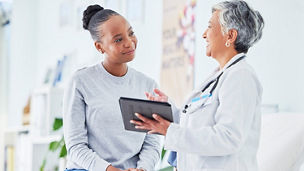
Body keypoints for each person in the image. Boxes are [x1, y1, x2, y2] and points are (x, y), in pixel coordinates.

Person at [131, 0, 264, 170]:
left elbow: (228, 137)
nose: (203, 34)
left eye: (210, 27)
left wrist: (169, 131)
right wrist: (168, 110)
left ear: (230, 36)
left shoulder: (241, 76)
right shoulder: (221, 75)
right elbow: (198, 125)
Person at [63, 5, 162, 171]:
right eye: (118, 39)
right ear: (99, 47)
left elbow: (152, 143)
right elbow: (75, 146)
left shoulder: (148, 85)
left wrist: (143, 169)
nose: (129, 42)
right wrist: (109, 170)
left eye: (131, 33)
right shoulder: (80, 82)